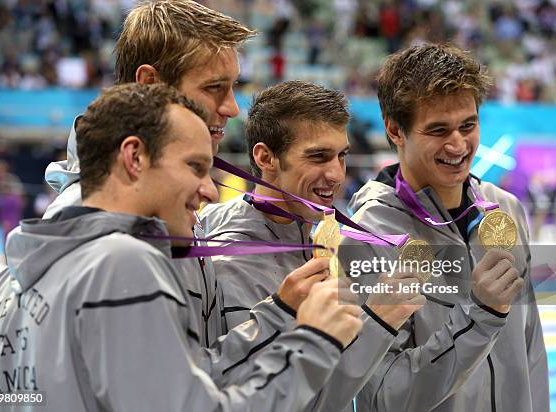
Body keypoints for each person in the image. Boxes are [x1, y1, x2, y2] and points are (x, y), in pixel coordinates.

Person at [0, 83, 363, 411]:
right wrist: (315, 342)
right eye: (195, 167)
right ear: (134, 158)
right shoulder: (121, 261)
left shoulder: (6, 283)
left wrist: (277, 314)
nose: (211, 190)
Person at [28, 0, 330, 360]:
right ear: (150, 85)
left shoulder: (161, 208)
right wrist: (282, 318)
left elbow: (191, 371)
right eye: (214, 87)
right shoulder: (96, 225)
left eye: (233, 87)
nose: (233, 107)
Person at [200, 80, 426, 412]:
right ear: (266, 157)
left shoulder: (323, 237)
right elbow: (280, 402)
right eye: (318, 156)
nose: (336, 174)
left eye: (341, 156)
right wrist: (378, 322)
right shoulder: (230, 257)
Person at [346, 43, 548, 411]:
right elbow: (384, 395)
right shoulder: (368, 236)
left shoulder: (506, 209)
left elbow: (531, 345)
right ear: (395, 130)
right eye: (438, 130)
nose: (458, 144)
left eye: (468, 125)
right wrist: (479, 316)